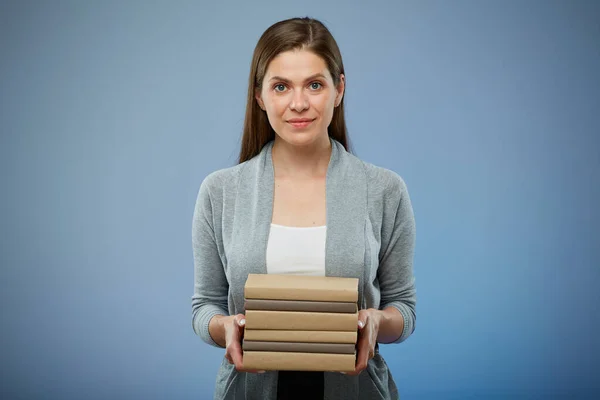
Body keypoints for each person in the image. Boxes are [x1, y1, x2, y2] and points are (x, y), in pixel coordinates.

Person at [191, 17, 416, 400]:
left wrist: (377, 321)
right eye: (281, 87)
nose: (298, 103)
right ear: (260, 96)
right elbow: (205, 306)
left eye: (315, 84)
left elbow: (404, 310)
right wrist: (223, 327)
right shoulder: (220, 191)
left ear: (339, 89)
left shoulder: (383, 190)